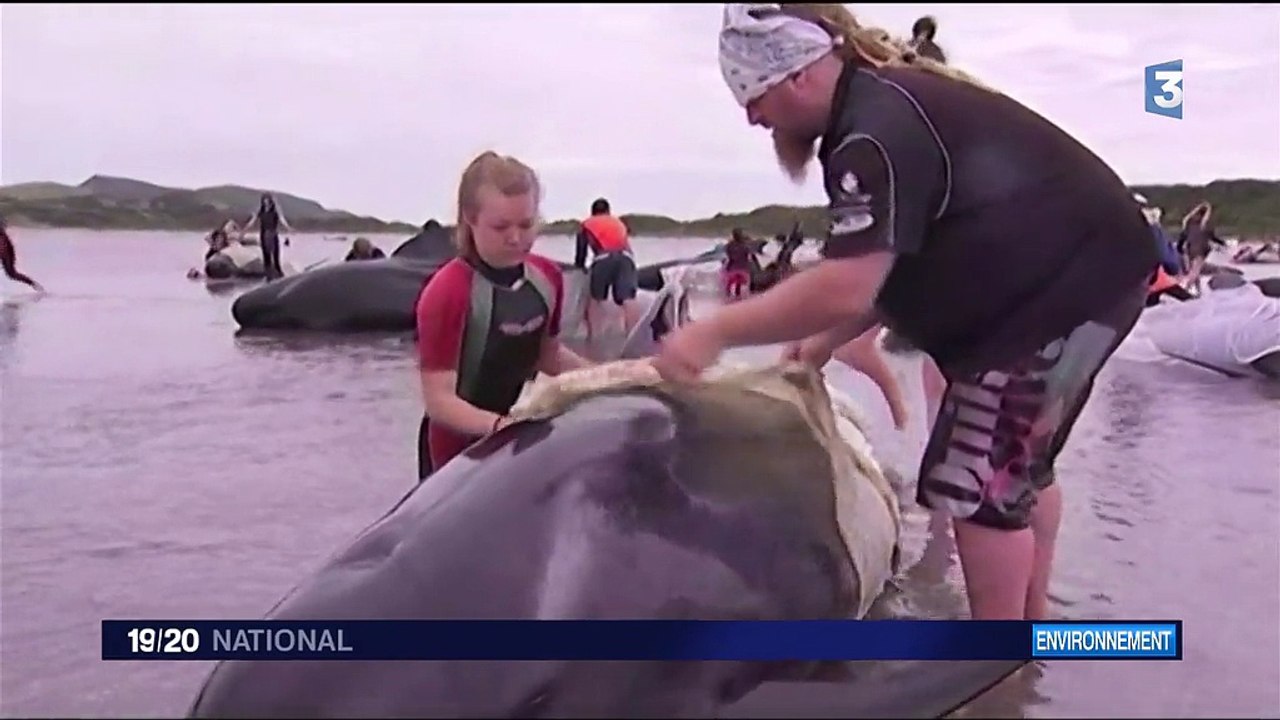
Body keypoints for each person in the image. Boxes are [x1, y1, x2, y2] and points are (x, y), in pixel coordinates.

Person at [652, 3, 1159, 621]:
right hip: (1091, 275)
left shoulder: (872, 133)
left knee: (974, 483)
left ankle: (993, 667)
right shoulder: (881, 105)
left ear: (798, 76)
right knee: (1018, 467)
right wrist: (817, 346)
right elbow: (895, 266)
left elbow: (847, 284)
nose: (752, 117)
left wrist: (713, 331)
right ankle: (1032, 636)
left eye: (752, 96)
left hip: (1061, 293)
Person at [414, 151, 591, 480]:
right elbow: (439, 401)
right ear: (470, 217)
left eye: (526, 224)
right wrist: (499, 427)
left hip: (514, 439)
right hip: (455, 456)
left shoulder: (547, 277)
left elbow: (547, 355)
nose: (515, 237)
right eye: (500, 227)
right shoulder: (447, 292)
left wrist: (608, 379)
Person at [574, 197, 642, 339]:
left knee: (595, 299)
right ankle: (634, 336)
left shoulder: (587, 224)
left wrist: (580, 268)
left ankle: (594, 337)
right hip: (627, 258)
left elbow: (581, 253)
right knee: (627, 299)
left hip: (603, 258)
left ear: (592, 213)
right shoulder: (618, 223)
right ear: (608, 211)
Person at [1176, 202, 1226, 296]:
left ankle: (1198, 292)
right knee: (1195, 272)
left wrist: (1179, 249)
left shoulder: (1188, 222)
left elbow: (1183, 236)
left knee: (1193, 271)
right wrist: (1223, 243)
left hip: (1189, 249)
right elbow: (1212, 236)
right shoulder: (1205, 224)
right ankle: (1184, 286)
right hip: (1200, 250)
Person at [241, 193, 293, 280]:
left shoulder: (275, 211)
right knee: (266, 254)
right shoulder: (260, 211)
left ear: (271, 201)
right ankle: (268, 274)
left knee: (276, 254)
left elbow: (282, 219)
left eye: (268, 200)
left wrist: (288, 227)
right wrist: (245, 229)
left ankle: (279, 272)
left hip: (273, 233)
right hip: (264, 234)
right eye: (265, 200)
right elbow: (252, 221)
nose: (266, 202)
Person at [0, 215, 45, 293]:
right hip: (4, 251)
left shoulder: (2, 236)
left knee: (12, 274)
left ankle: (34, 284)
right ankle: (34, 284)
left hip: (7, 253)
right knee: (11, 274)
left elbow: (3, 247)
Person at [722, 228, 757, 300]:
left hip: (733, 270)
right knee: (741, 281)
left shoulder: (729, 246)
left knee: (728, 281)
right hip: (743, 271)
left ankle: (727, 295)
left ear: (733, 236)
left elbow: (729, 257)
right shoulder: (745, 246)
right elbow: (749, 257)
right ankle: (739, 294)